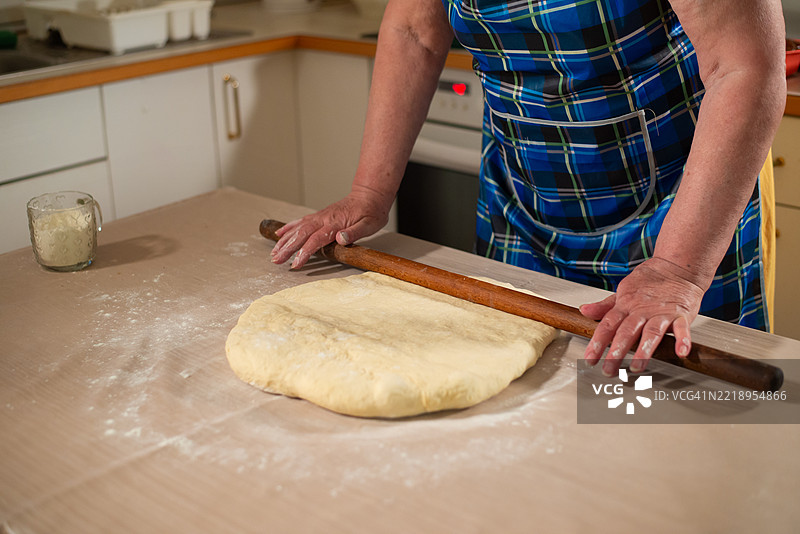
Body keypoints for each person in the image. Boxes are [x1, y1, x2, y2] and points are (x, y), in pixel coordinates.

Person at [271, 0, 786, 376]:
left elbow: (744, 67)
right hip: (521, 202)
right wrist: (368, 192)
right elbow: (414, 29)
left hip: (682, 211)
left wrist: (678, 271)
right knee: (527, 401)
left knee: (670, 425)